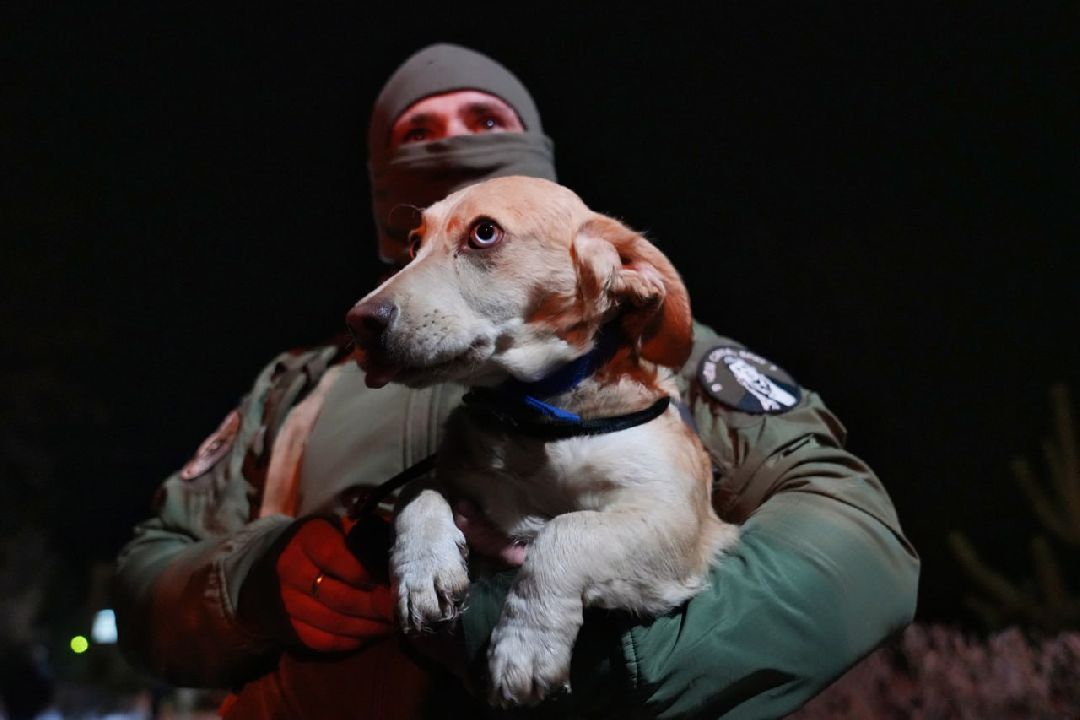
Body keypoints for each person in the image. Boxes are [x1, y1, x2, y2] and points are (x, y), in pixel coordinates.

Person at [114, 43, 919, 719]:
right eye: (416, 130)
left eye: (484, 119)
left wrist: (621, 665)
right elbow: (150, 573)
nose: (448, 143)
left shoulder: (653, 354)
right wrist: (255, 584)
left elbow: (859, 538)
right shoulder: (300, 386)